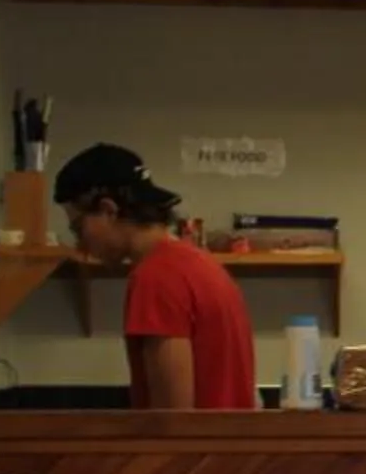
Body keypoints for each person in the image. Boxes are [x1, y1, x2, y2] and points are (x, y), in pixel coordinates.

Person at [52, 142, 258, 410]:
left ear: (108, 210)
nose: (80, 243)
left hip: (195, 451)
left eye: (79, 227)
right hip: (228, 449)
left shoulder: (156, 279)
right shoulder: (202, 264)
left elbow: (172, 422)